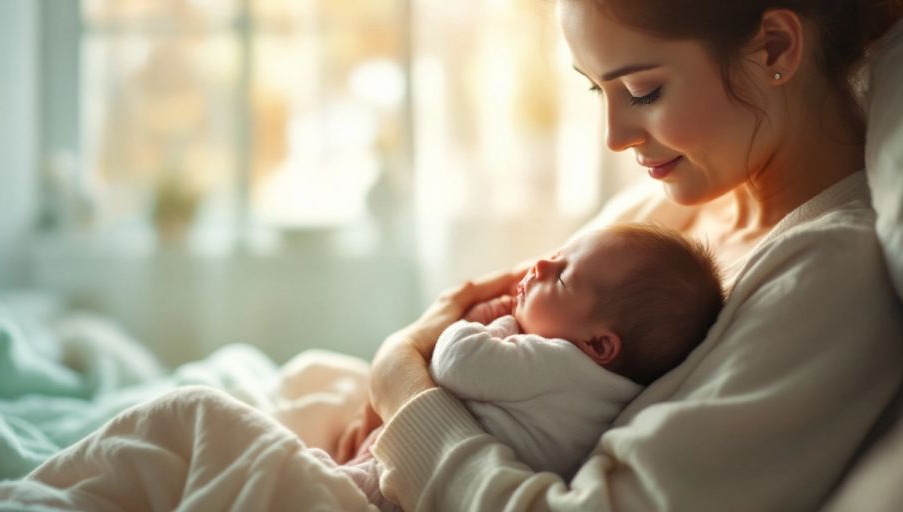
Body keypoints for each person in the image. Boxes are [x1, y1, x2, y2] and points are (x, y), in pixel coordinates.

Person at [365, 2, 903, 511]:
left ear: (775, 48)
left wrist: (400, 381)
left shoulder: (827, 281)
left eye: (643, 91)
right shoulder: (665, 208)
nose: (614, 138)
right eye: (598, 91)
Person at [323, 223, 724, 511]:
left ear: (599, 344)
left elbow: (455, 361)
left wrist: (497, 320)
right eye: (555, 257)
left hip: (391, 488)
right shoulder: (608, 394)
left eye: (562, 277)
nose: (541, 267)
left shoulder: (557, 363)